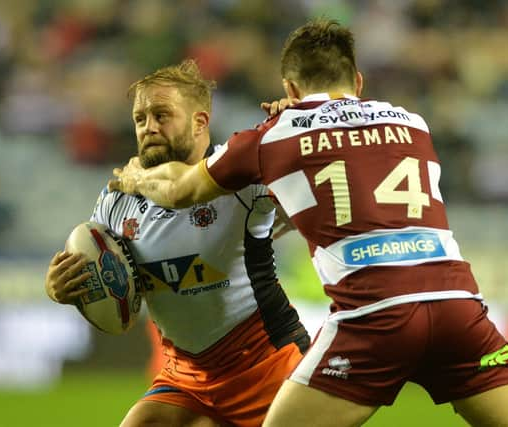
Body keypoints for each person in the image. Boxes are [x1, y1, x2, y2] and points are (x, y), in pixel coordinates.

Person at [109, 20, 508, 427]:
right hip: (457, 306)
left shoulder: (273, 136)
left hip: (375, 316)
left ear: (289, 89)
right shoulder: (413, 122)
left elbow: (181, 189)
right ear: (358, 81)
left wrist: (134, 177)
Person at [45, 60, 310, 427]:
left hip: (268, 367)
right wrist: (62, 287)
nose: (149, 127)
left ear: (200, 122)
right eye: (140, 118)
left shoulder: (240, 180)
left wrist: (297, 123)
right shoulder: (116, 200)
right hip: (187, 376)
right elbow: (105, 284)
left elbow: (316, 185)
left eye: (162, 115)